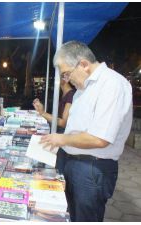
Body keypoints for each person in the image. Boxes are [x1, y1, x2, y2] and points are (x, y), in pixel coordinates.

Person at [40, 41, 132, 222]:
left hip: (92, 168)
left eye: (66, 73)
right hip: (74, 163)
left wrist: (62, 139)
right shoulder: (83, 89)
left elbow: (100, 138)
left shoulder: (111, 84)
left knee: (86, 218)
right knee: (71, 215)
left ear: (83, 64)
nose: (66, 80)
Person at [32, 78, 75, 174]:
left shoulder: (70, 95)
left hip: (63, 138)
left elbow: (64, 122)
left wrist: (43, 113)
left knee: (59, 168)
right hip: (59, 136)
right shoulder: (65, 94)